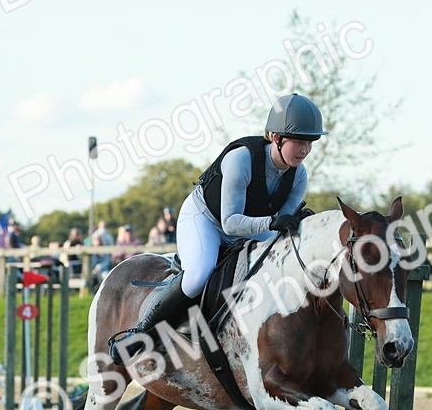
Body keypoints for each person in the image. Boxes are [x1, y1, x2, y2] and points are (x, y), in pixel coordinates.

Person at [108, 93, 324, 362]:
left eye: (310, 143)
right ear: (277, 138)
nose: (305, 151)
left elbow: (283, 224)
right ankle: (139, 334)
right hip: (207, 219)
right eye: (300, 142)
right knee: (198, 276)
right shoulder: (241, 159)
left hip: (249, 227)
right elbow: (230, 223)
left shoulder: (299, 175)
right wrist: (272, 223)